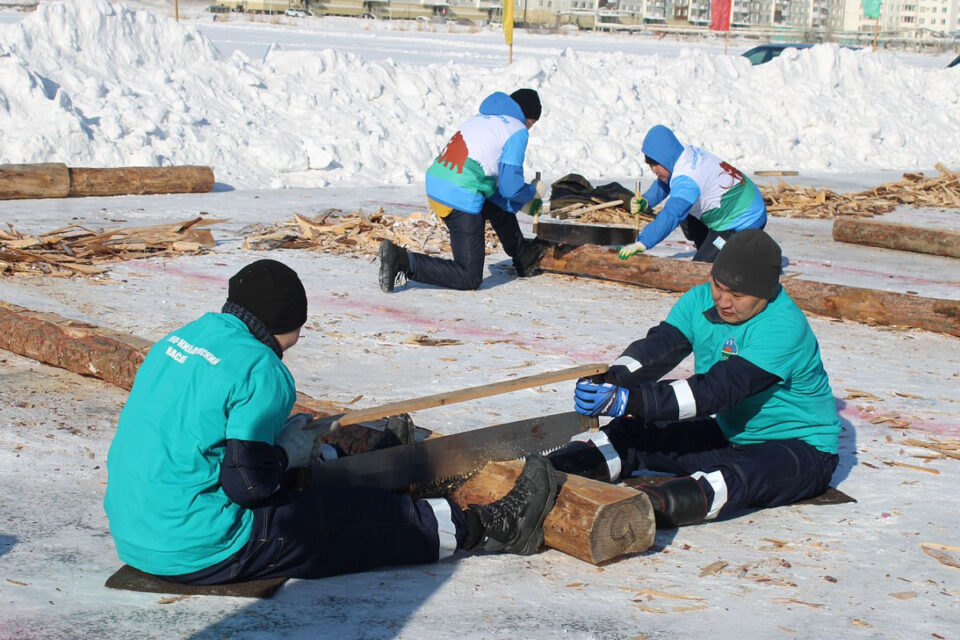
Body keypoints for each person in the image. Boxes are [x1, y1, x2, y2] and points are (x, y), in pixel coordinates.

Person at [104, 259, 559, 584]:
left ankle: (365, 468)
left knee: (298, 467)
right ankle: (492, 528)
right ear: (288, 321)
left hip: (138, 532)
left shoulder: (184, 338)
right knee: (363, 519)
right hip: (202, 546)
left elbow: (211, 441)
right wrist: (284, 454)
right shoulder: (262, 367)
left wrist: (289, 454)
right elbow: (248, 484)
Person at [548, 230, 840, 528]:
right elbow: (657, 350)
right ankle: (547, 473)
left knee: (729, 480)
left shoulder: (783, 327)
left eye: (737, 296)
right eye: (718, 286)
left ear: (765, 293)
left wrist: (633, 400)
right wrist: (615, 379)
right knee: (633, 434)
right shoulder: (699, 300)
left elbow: (717, 391)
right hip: (731, 434)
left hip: (801, 449)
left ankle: (633, 515)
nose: (723, 302)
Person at [379, 88, 548, 293]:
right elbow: (510, 187)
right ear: (528, 117)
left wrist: (520, 202)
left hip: (438, 183)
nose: (529, 128)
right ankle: (404, 260)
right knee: (468, 276)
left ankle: (523, 256)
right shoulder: (517, 129)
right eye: (532, 123)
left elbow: (497, 190)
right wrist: (530, 193)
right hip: (459, 195)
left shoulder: (483, 118)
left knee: (495, 204)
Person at [619, 125, 768, 263]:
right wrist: (646, 200)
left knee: (703, 269)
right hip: (733, 204)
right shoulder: (681, 154)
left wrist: (643, 242)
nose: (653, 170)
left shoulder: (688, 179)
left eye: (656, 164)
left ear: (665, 158)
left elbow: (672, 214)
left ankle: (734, 251)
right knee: (687, 214)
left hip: (743, 220)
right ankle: (708, 243)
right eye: (651, 165)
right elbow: (667, 181)